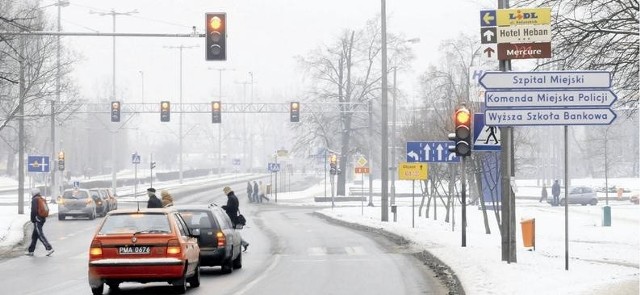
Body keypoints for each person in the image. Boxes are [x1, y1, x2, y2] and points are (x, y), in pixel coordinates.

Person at [25, 189, 54, 256]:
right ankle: (31, 251)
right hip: (42, 218)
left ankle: (49, 248)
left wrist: (32, 219)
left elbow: (34, 211)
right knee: (35, 236)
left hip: (38, 219)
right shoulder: (41, 199)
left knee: (40, 235)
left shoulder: (35, 199)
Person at [221, 186, 249, 252]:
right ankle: (244, 243)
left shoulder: (231, 198)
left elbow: (231, 208)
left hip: (231, 218)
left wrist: (224, 207)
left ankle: (241, 244)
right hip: (233, 217)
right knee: (232, 233)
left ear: (227, 192)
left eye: (225, 192)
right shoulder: (234, 197)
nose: (225, 193)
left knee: (231, 234)